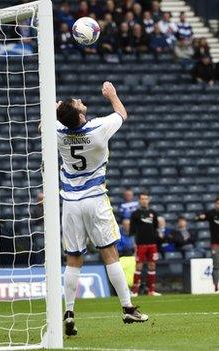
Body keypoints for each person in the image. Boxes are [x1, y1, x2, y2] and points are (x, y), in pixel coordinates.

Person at [56, 82, 148, 337]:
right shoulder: (97, 128)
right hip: (95, 199)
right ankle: (128, 308)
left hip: (70, 203)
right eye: (76, 102)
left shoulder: (58, 132)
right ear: (81, 115)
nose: (77, 98)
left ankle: (69, 311)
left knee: (74, 258)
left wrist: (55, 111)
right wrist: (112, 95)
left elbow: (46, 124)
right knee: (109, 253)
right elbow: (122, 114)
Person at [129, 192, 162, 296]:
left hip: (152, 244)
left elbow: (155, 227)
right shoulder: (135, 214)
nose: (144, 200)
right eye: (142, 199)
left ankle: (151, 291)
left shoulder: (153, 213)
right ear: (139, 200)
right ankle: (134, 291)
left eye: (146, 199)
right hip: (140, 244)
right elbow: (132, 231)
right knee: (138, 266)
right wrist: (134, 245)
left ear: (149, 200)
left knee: (152, 266)